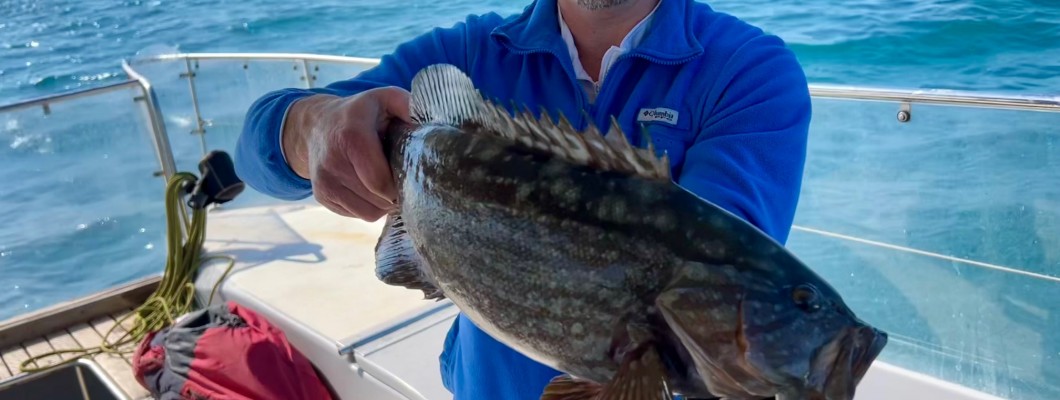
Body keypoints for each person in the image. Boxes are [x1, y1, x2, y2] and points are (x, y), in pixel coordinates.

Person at [234, 0, 812, 399]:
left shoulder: (749, 71)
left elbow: (712, 295)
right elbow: (256, 144)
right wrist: (313, 126)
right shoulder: (471, 51)